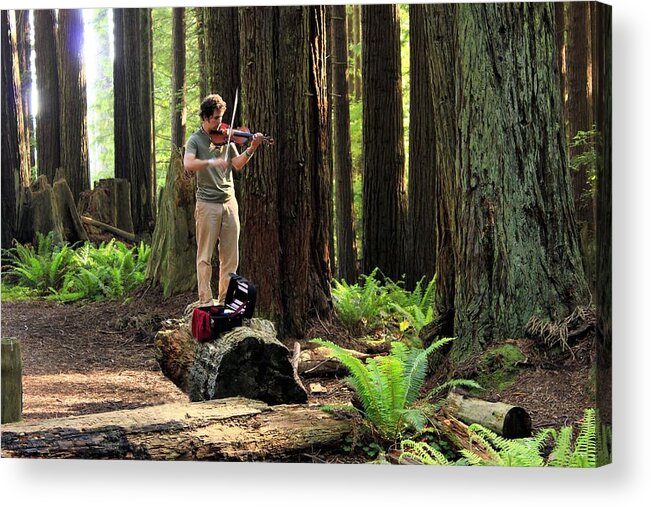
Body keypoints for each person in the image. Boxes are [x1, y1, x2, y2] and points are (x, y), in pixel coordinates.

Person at [184, 94, 263, 307]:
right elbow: (189, 164)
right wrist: (211, 161)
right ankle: (206, 302)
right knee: (205, 257)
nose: (221, 123)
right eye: (217, 118)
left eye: (222, 117)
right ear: (206, 117)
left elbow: (237, 164)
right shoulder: (195, 140)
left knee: (230, 257)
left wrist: (251, 148)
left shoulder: (227, 139)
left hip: (229, 202)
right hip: (207, 204)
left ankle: (226, 301)